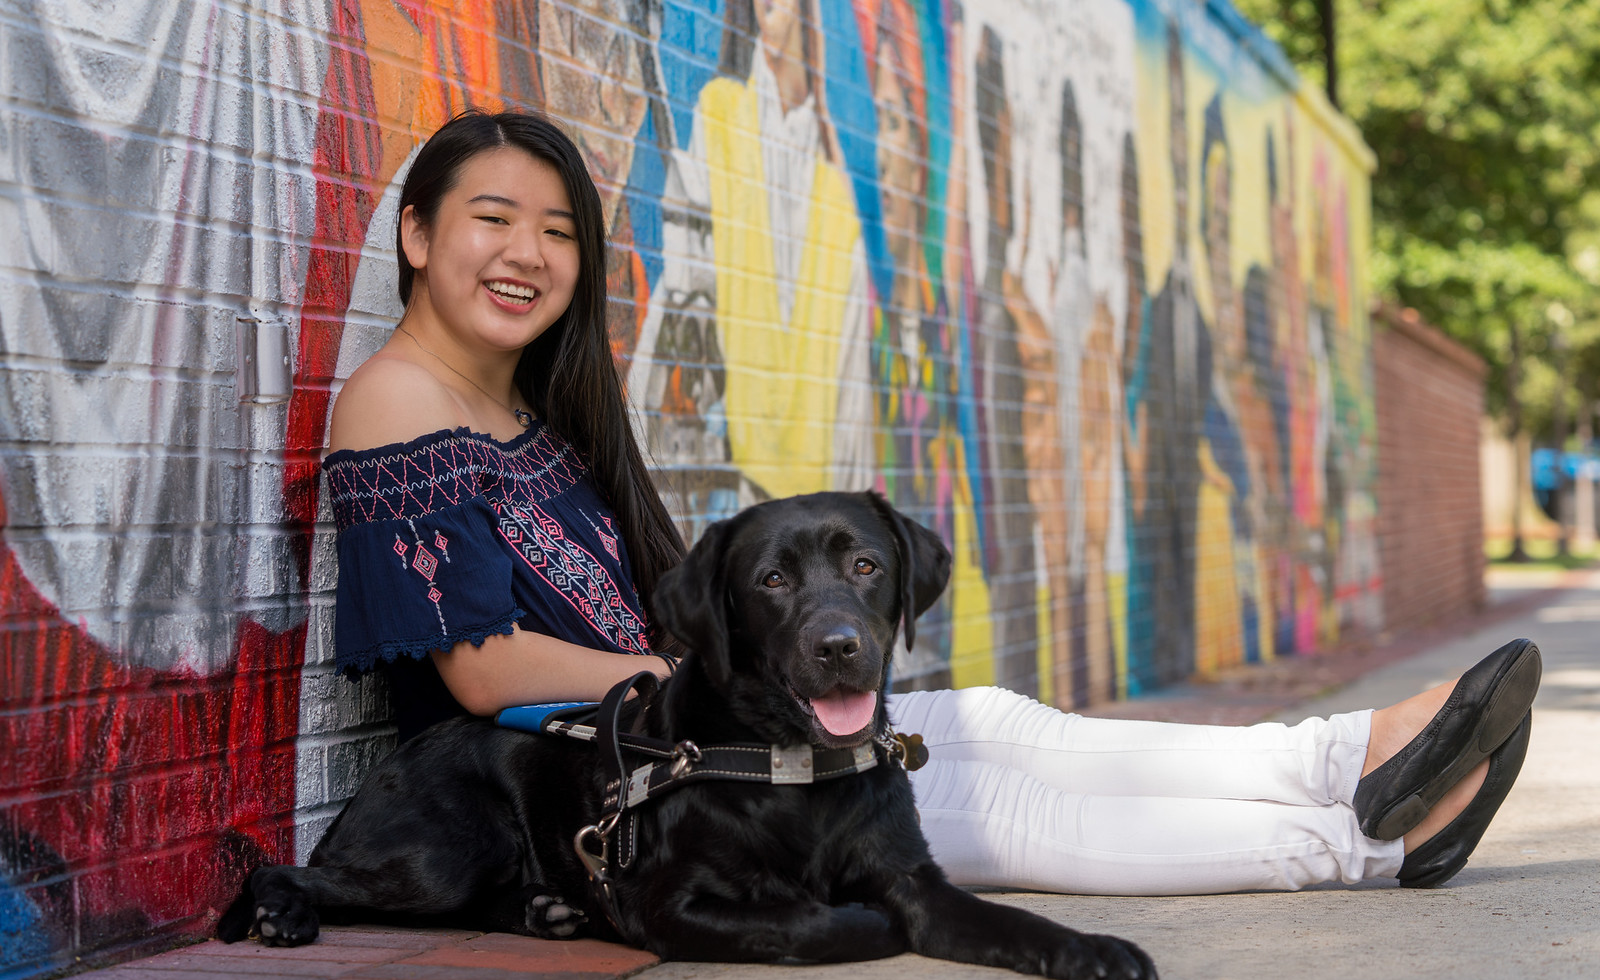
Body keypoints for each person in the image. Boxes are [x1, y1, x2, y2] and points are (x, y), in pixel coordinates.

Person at [324, 110, 1537, 901]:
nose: (526, 253)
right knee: (984, 800)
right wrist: (670, 680)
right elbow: (479, 674)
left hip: (651, 727)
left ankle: (1344, 757)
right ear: (419, 234)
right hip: (582, 780)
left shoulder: (527, 407)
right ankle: (1363, 844)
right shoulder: (393, 399)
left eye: (556, 232)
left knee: (1000, 722)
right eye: (492, 220)